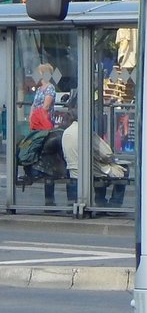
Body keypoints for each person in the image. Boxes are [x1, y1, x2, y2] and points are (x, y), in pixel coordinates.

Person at [60, 110, 127, 207]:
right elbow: (107, 154)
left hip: (74, 171)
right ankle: (114, 204)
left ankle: (99, 202)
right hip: (91, 170)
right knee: (123, 171)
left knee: (100, 170)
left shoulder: (66, 132)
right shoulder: (86, 131)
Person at [29, 63, 57, 205]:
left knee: (47, 160)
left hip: (45, 128)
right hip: (36, 127)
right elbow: (34, 106)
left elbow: (45, 107)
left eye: (39, 72)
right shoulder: (39, 89)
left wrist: (36, 116)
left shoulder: (50, 88)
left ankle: (49, 199)